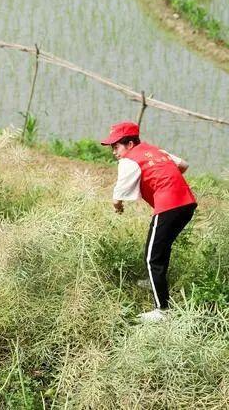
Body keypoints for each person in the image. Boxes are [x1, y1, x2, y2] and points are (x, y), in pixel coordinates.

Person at [101, 122, 196, 323]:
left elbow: (118, 194)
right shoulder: (156, 151)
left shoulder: (129, 160)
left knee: (152, 257)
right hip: (187, 203)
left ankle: (162, 311)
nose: (114, 152)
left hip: (169, 205)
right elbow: (183, 165)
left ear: (129, 143)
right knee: (161, 250)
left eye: (116, 147)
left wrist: (117, 206)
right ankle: (156, 283)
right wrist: (166, 179)